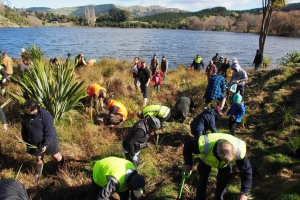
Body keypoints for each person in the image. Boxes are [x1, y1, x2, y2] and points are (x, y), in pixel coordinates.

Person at [183, 133, 252, 200]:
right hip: (206, 160)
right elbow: (187, 146)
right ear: (217, 152)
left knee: (223, 181)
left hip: (224, 166)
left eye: (230, 160)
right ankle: (200, 197)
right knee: (203, 178)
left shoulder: (239, 151)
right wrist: (188, 163)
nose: (228, 162)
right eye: (225, 160)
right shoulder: (203, 144)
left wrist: (244, 192)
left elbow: (246, 170)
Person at [21, 99, 64, 181]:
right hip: (35, 142)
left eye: (29, 111)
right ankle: (38, 174)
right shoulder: (26, 116)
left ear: (35, 109)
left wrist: (46, 144)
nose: (27, 112)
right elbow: (24, 129)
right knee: (38, 158)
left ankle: (63, 169)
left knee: (56, 156)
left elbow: (49, 131)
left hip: (49, 140)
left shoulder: (45, 116)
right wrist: (26, 141)